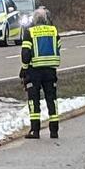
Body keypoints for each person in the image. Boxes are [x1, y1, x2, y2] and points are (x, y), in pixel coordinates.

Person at [20, 9, 62, 139]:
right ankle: (54, 130)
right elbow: (58, 46)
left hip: (34, 70)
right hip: (50, 69)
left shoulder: (30, 32)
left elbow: (26, 53)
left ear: (34, 20)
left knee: (34, 100)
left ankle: (35, 130)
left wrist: (24, 69)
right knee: (52, 99)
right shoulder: (54, 31)